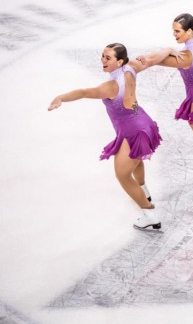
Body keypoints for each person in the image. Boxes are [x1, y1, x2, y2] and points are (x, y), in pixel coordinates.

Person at [48, 43, 175, 230]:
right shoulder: (132, 67)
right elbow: (153, 59)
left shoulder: (110, 86)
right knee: (137, 161)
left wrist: (60, 97)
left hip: (133, 130)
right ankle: (144, 191)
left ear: (119, 61)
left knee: (122, 174)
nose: (103, 60)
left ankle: (149, 214)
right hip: (143, 122)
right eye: (102, 56)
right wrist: (169, 50)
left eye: (108, 58)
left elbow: (83, 92)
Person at [140, 13, 193, 165]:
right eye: (173, 31)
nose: (174, 34)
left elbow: (152, 61)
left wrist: (167, 49)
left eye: (177, 31)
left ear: (188, 31)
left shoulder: (185, 57)